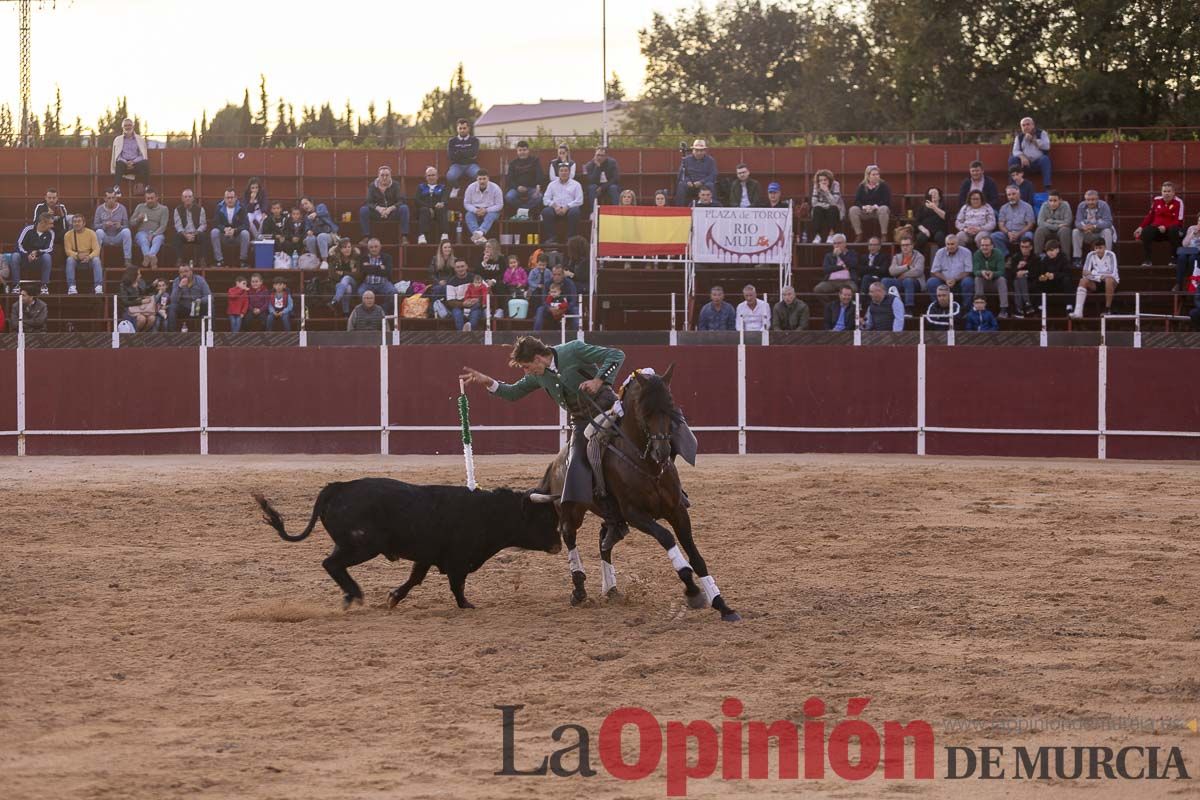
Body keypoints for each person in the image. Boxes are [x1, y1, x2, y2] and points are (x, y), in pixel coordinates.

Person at [460, 336, 634, 542]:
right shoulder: (538, 376)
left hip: (606, 406)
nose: (526, 372)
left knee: (649, 429)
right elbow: (513, 392)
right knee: (577, 466)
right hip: (580, 421)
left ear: (538, 359)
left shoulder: (573, 350)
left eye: (526, 366)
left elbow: (616, 355)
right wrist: (488, 382)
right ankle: (614, 522)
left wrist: (598, 380)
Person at [1134, 181, 1185, 267]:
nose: (1166, 194)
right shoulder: (1156, 200)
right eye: (1164, 191)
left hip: (1171, 231)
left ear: (1173, 193)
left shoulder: (1179, 202)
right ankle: (1147, 260)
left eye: (1169, 191)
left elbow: (1179, 221)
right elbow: (1150, 216)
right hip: (1157, 229)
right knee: (1146, 231)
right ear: (1161, 192)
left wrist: (1166, 226)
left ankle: (1174, 259)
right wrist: (1141, 227)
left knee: (1174, 230)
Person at [1070, 238, 1120, 319]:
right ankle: (1078, 312)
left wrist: (1093, 273)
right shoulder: (1091, 254)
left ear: (1105, 247)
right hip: (1096, 282)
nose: (1098, 250)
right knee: (1083, 281)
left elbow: (1112, 273)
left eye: (1100, 248)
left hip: (1112, 283)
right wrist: (1099, 276)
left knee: (1108, 279)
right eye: (1096, 248)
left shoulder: (1111, 255)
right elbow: (1085, 273)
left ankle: (1107, 310)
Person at [359, 165, 409, 245]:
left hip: (392, 213)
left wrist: (390, 209)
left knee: (404, 208)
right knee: (363, 210)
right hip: (377, 213)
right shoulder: (372, 186)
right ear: (378, 176)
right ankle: (366, 237)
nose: (384, 177)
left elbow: (401, 200)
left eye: (387, 175)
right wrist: (378, 208)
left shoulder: (396, 185)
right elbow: (368, 202)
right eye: (382, 175)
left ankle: (404, 237)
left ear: (390, 176)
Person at [11, 213, 55, 294]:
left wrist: (37, 253)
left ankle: (44, 285)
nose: (52, 226)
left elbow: (50, 249)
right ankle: (16, 285)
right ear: (42, 223)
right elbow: (18, 244)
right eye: (51, 223)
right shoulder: (28, 229)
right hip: (25, 258)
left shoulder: (51, 233)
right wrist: (28, 254)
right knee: (15, 256)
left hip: (39, 259)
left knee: (47, 257)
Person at [927, 235, 976, 307]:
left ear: (957, 244)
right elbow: (935, 271)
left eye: (952, 244)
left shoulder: (966, 252)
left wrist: (955, 279)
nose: (950, 246)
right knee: (931, 282)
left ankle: (966, 308)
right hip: (944, 281)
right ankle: (937, 306)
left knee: (968, 281)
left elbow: (968, 271)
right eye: (948, 244)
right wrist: (946, 279)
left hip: (960, 281)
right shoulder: (940, 252)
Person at [541, 163, 584, 244]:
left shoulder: (576, 184)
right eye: (561, 171)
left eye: (566, 171)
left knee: (575, 212)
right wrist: (554, 206)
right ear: (558, 173)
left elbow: (580, 200)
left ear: (569, 172)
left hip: (569, 208)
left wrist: (567, 207)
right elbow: (545, 199)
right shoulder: (552, 184)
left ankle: (571, 238)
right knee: (546, 212)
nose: (563, 173)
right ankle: (552, 237)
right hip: (555, 208)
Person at [883, 235, 926, 314]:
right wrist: (907, 267)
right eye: (903, 245)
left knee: (908, 280)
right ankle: (887, 306)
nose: (905, 247)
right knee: (885, 281)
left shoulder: (919, 256)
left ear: (912, 246)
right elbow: (892, 271)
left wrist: (903, 275)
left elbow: (918, 271)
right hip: (900, 282)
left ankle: (909, 308)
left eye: (907, 245)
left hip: (916, 283)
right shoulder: (897, 257)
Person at [1072, 189, 1114, 267]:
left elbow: (1108, 222)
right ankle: (1077, 258)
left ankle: (1107, 257)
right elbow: (1077, 222)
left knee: (1107, 231)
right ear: (1085, 200)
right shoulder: (1081, 206)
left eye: (1093, 200)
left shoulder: (1104, 205)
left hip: (1100, 233)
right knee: (1075, 231)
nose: (1090, 202)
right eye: (1088, 200)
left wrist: (1094, 226)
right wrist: (1083, 227)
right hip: (1087, 233)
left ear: (1097, 199)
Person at [848, 165, 891, 242]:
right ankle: (859, 234)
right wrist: (864, 207)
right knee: (853, 209)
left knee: (884, 208)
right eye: (873, 174)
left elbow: (886, 200)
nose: (876, 176)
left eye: (877, 174)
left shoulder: (884, 186)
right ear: (868, 176)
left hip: (878, 210)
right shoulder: (862, 186)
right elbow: (857, 201)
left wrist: (874, 206)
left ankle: (884, 235)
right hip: (865, 211)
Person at [63, 214, 103, 295]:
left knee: (96, 259)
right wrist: (77, 255)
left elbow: (96, 250)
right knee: (69, 259)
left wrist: (89, 257)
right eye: (74, 222)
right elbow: (68, 251)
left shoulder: (91, 233)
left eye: (79, 221)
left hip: (89, 259)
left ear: (84, 223)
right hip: (76, 259)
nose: (76, 224)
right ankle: (71, 287)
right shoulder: (68, 235)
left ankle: (98, 286)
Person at [992, 184, 1036, 256]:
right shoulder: (1003, 208)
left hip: (1022, 233)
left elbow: (1030, 224)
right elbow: (1001, 224)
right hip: (1008, 234)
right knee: (995, 236)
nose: (1011, 197)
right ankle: (1006, 256)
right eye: (1009, 195)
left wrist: (1019, 233)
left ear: (1019, 194)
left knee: (1029, 235)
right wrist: (1008, 233)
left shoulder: (1027, 207)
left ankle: (1025, 256)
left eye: (1013, 194)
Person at [972, 236, 1010, 318]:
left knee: (1002, 280)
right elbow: (975, 271)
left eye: (987, 245)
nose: (984, 247)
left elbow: (1001, 271)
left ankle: (1004, 310)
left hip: (995, 282)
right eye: (982, 245)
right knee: (977, 279)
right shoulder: (977, 254)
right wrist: (982, 272)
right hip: (983, 281)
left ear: (992, 246)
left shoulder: (998, 253)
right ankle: (979, 308)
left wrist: (993, 274)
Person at [210, 189, 250, 267]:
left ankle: (243, 261)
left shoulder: (242, 208)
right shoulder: (219, 207)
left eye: (232, 197)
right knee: (214, 232)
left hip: (237, 236)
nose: (230, 200)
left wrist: (235, 230)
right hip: (224, 235)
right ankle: (219, 260)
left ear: (236, 198)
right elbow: (215, 223)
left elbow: (246, 225)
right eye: (227, 198)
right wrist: (224, 229)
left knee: (245, 233)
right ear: (224, 198)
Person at [1007, 117, 1052, 187]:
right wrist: (1022, 157)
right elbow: (1015, 150)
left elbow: (1047, 146)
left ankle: (1047, 187)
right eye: (1023, 125)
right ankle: (1013, 186)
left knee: (1045, 159)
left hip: (1038, 162)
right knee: (1012, 159)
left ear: (1033, 125)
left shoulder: (1042, 133)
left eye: (1028, 124)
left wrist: (1033, 140)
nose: (1026, 127)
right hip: (1024, 164)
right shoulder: (1019, 137)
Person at [167, 262, 212, 331]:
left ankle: (210, 333)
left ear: (191, 272)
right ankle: (171, 334)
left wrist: (200, 300)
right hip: (184, 308)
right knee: (172, 307)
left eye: (186, 271)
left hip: (198, 307)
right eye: (181, 272)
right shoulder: (177, 281)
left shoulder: (200, 280)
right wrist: (179, 287)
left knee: (210, 306)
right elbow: (173, 300)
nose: (184, 274)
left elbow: (209, 296)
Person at [94, 188, 133, 267]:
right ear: (105, 199)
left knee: (126, 231)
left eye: (113, 198)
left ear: (116, 198)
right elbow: (95, 226)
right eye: (109, 198)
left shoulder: (122, 208)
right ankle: (96, 259)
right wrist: (104, 225)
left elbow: (127, 225)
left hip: (117, 236)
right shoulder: (99, 209)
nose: (111, 200)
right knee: (98, 232)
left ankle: (127, 260)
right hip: (106, 237)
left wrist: (120, 226)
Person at [131, 188, 169, 268]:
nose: (150, 200)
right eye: (148, 198)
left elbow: (163, 226)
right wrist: (138, 219)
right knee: (143, 239)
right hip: (142, 232)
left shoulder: (164, 209)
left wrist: (154, 234)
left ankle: (150, 255)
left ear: (156, 198)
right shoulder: (140, 207)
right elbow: (131, 223)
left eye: (152, 198)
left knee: (158, 239)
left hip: (157, 232)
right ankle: (148, 256)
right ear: (145, 199)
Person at [505, 141, 546, 214]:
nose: (522, 152)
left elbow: (540, 174)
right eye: (520, 150)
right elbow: (509, 179)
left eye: (524, 150)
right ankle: (525, 211)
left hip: (531, 188)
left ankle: (523, 211)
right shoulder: (513, 163)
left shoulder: (535, 160)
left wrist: (538, 185)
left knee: (539, 196)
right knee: (509, 197)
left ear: (528, 150)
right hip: (517, 189)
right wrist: (517, 187)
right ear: (517, 151)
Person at [463, 170, 503, 244]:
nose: (482, 181)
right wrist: (475, 210)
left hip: (491, 210)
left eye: (484, 179)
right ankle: (479, 237)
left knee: (491, 216)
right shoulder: (471, 187)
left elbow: (500, 205)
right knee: (468, 215)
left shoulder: (496, 188)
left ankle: (480, 232)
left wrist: (486, 210)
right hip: (476, 209)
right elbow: (466, 203)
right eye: (480, 179)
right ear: (477, 179)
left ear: (488, 179)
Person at [533, 266, 578, 331]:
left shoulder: (570, 283)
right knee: (540, 309)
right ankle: (536, 335)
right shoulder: (548, 283)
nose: (556, 277)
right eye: (554, 274)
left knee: (576, 310)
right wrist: (550, 309)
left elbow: (573, 301)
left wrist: (563, 309)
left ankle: (576, 335)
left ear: (563, 275)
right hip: (551, 308)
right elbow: (543, 301)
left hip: (566, 308)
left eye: (559, 274)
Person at [675, 139, 718, 207]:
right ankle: (679, 210)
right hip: (690, 184)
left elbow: (713, 175)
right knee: (681, 185)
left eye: (701, 150)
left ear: (705, 151)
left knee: (711, 185)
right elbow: (681, 175)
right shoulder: (686, 160)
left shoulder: (710, 160)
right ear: (693, 150)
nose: (699, 153)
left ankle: (713, 209)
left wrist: (701, 182)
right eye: (696, 150)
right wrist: (687, 181)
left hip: (704, 184)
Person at [1032, 238, 1073, 309]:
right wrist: (1043, 277)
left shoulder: (1064, 258)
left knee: (1067, 280)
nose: (1050, 253)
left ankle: (1069, 303)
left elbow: (1067, 273)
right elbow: (1041, 273)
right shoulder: (1045, 260)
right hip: (1049, 284)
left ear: (1057, 250)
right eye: (1048, 251)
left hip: (1060, 284)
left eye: (1052, 250)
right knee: (1037, 282)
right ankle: (1040, 304)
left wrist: (1054, 275)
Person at [110, 117, 149, 188]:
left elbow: (142, 155)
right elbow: (117, 156)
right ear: (122, 127)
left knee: (145, 163)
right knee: (119, 163)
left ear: (133, 126)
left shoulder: (140, 139)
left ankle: (147, 187)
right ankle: (116, 188)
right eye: (125, 125)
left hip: (136, 164)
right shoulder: (118, 140)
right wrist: (126, 162)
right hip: (124, 165)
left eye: (129, 125)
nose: (128, 127)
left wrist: (133, 162)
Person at [173, 189, 208, 266]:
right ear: (182, 198)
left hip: (196, 234)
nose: (187, 198)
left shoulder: (200, 209)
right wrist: (185, 234)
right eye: (185, 197)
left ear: (193, 198)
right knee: (176, 236)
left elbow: (203, 225)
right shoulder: (177, 210)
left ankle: (202, 259)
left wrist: (195, 234)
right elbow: (178, 225)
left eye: (189, 196)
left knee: (203, 236)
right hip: (184, 234)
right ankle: (179, 259)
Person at [415, 166, 450, 244]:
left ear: (437, 176)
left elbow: (445, 199)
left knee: (441, 209)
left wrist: (441, 203)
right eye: (429, 175)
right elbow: (417, 200)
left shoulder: (442, 187)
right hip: (424, 211)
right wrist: (429, 207)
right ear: (426, 177)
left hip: (438, 211)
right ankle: (422, 236)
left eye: (433, 175)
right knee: (424, 210)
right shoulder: (421, 187)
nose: (431, 177)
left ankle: (444, 235)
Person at [301, 196, 339, 265]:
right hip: (316, 236)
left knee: (321, 236)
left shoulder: (320, 206)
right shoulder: (307, 216)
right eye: (303, 205)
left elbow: (325, 212)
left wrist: (316, 214)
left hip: (329, 234)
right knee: (310, 238)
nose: (305, 206)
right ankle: (314, 260)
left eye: (306, 203)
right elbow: (307, 227)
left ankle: (325, 261)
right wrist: (308, 231)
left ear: (311, 203)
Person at [446, 118, 481, 193]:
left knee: (479, 175)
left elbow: (473, 153)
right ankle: (456, 188)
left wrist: (459, 152)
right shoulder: (452, 141)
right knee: (450, 176)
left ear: (468, 128)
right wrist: (467, 153)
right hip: (456, 165)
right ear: (457, 129)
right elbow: (451, 156)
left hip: (471, 165)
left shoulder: (474, 140)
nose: (462, 130)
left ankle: (471, 190)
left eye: (464, 128)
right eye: (460, 128)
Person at [1034, 190, 1072, 257]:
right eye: (1050, 200)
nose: (1052, 203)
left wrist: (1052, 221)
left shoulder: (1065, 205)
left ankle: (1066, 258)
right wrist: (1056, 226)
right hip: (1048, 230)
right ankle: (1037, 257)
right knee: (1039, 230)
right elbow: (1040, 222)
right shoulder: (1044, 205)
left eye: (1055, 201)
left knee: (1065, 230)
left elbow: (1068, 221)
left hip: (1061, 231)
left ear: (1060, 200)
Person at [117, 265, 156, 331]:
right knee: (142, 319)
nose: (140, 275)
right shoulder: (123, 285)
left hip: (142, 308)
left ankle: (143, 334)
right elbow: (125, 302)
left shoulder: (141, 282)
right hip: (130, 309)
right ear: (133, 275)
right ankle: (135, 335)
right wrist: (141, 301)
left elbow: (145, 291)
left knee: (152, 318)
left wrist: (152, 286)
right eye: (138, 274)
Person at [328, 237, 361, 314]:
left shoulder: (356, 258)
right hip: (338, 284)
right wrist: (350, 273)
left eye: (349, 247)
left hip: (354, 283)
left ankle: (335, 300)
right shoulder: (334, 258)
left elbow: (358, 275)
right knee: (347, 288)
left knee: (346, 278)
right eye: (344, 247)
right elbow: (332, 274)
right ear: (340, 249)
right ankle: (346, 312)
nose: (347, 249)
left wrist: (343, 273)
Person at [1007, 238, 1038, 317]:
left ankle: (1019, 309)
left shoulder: (1035, 258)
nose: (1024, 249)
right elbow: (1010, 273)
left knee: (1020, 278)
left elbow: (1037, 272)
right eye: (1022, 247)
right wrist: (1017, 268)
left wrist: (1025, 272)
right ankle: (1027, 303)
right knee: (1018, 280)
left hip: (1031, 281)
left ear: (1031, 247)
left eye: (1026, 247)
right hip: (1017, 282)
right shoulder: (1015, 257)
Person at [809, 169, 843, 243]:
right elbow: (814, 203)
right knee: (817, 209)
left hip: (835, 209)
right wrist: (826, 205)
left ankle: (831, 235)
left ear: (829, 180)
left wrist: (826, 191)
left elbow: (834, 202)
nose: (823, 182)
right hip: (822, 209)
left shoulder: (835, 184)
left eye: (825, 179)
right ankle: (817, 236)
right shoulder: (816, 185)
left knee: (832, 209)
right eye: (821, 180)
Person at [913, 187, 948, 252]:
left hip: (939, 231)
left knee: (940, 237)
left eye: (935, 193)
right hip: (926, 231)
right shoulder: (922, 207)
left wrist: (934, 207)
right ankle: (918, 259)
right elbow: (917, 222)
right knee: (920, 238)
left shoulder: (943, 206)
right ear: (928, 196)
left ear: (939, 197)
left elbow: (946, 217)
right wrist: (924, 230)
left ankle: (944, 258)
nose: (933, 195)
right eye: (931, 193)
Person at [1174, 212, 1200, 292]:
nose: (1199, 223)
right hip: (1188, 251)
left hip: (1198, 253)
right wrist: (1192, 234)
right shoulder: (1192, 228)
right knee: (1181, 257)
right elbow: (1184, 244)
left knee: (1192, 258)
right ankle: (1178, 284)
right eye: (1199, 221)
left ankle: (1191, 282)